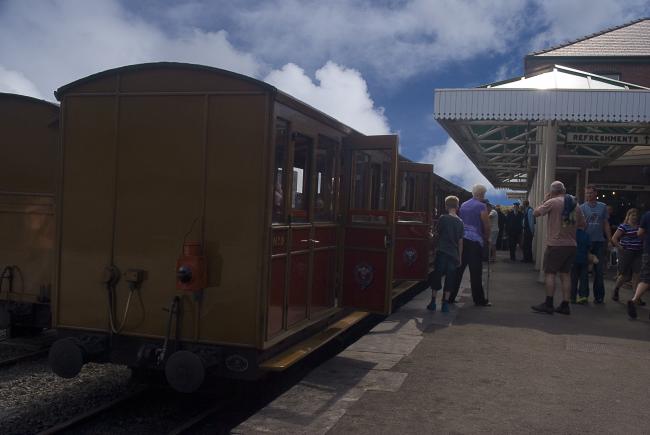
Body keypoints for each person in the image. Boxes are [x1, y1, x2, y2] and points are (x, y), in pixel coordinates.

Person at [531, 180, 586, 315]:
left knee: (550, 273)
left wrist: (545, 200)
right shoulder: (575, 205)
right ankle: (565, 305)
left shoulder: (552, 202)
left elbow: (536, 213)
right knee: (565, 274)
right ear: (564, 190)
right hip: (571, 245)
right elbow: (583, 224)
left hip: (555, 245)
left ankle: (549, 304)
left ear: (553, 192)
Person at [450, 184, 491, 306]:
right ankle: (479, 300)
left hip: (462, 240)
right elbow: (486, 225)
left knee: (458, 270)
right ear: (481, 194)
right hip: (474, 242)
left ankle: (450, 297)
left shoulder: (464, 204)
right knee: (475, 272)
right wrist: (487, 237)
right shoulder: (481, 206)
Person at [427, 196, 463, 313]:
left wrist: (431, 238)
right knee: (450, 278)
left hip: (442, 252)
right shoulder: (460, 222)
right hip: (453, 254)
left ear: (446, 206)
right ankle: (445, 304)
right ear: (457, 207)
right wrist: (460, 257)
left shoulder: (443, 218)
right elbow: (460, 242)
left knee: (437, 276)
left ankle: (433, 302)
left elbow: (437, 234)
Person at [579, 185, 611, 304]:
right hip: (586, 242)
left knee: (598, 270)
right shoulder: (581, 207)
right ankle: (584, 295)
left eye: (591, 193)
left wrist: (610, 239)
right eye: (587, 193)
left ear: (596, 193)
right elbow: (580, 226)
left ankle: (599, 296)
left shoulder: (603, 207)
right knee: (584, 269)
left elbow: (605, 223)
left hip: (599, 242)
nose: (588, 195)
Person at [611, 208, 643, 303]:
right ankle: (616, 289)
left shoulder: (639, 227)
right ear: (628, 216)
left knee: (637, 274)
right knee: (625, 275)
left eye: (636, 215)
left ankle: (636, 297)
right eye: (632, 215)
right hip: (626, 252)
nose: (634, 217)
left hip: (638, 252)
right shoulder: (623, 226)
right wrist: (621, 248)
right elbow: (614, 238)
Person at [626, 209, 650, 319]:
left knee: (645, 279)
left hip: (647, 250)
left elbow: (639, 232)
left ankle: (634, 299)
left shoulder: (647, 215)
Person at [571, 228, 591, 304]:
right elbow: (589, 247)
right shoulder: (586, 235)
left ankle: (572, 297)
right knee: (584, 279)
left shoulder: (572, 234)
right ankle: (583, 296)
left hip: (573, 259)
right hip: (584, 260)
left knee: (573, 279)